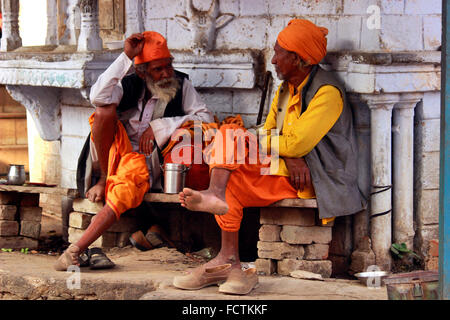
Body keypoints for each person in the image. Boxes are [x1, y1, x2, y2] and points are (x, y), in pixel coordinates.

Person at [173, 19, 367, 295]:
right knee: (231, 153)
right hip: (286, 167)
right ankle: (229, 261)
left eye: (278, 53)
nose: (273, 60)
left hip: (316, 176)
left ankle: (225, 254)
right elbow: (271, 131)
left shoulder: (327, 92)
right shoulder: (285, 88)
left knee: (230, 137)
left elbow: (297, 143)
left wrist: (282, 149)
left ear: (298, 59)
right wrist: (283, 151)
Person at [54, 31, 214, 271]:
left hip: (147, 161)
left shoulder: (181, 84)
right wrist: (127, 56)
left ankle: (75, 249)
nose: (166, 74)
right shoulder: (129, 83)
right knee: (103, 112)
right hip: (114, 155)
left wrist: (161, 126)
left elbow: (206, 117)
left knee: (126, 185)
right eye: (158, 70)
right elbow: (97, 96)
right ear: (142, 72)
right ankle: (104, 179)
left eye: (168, 66)